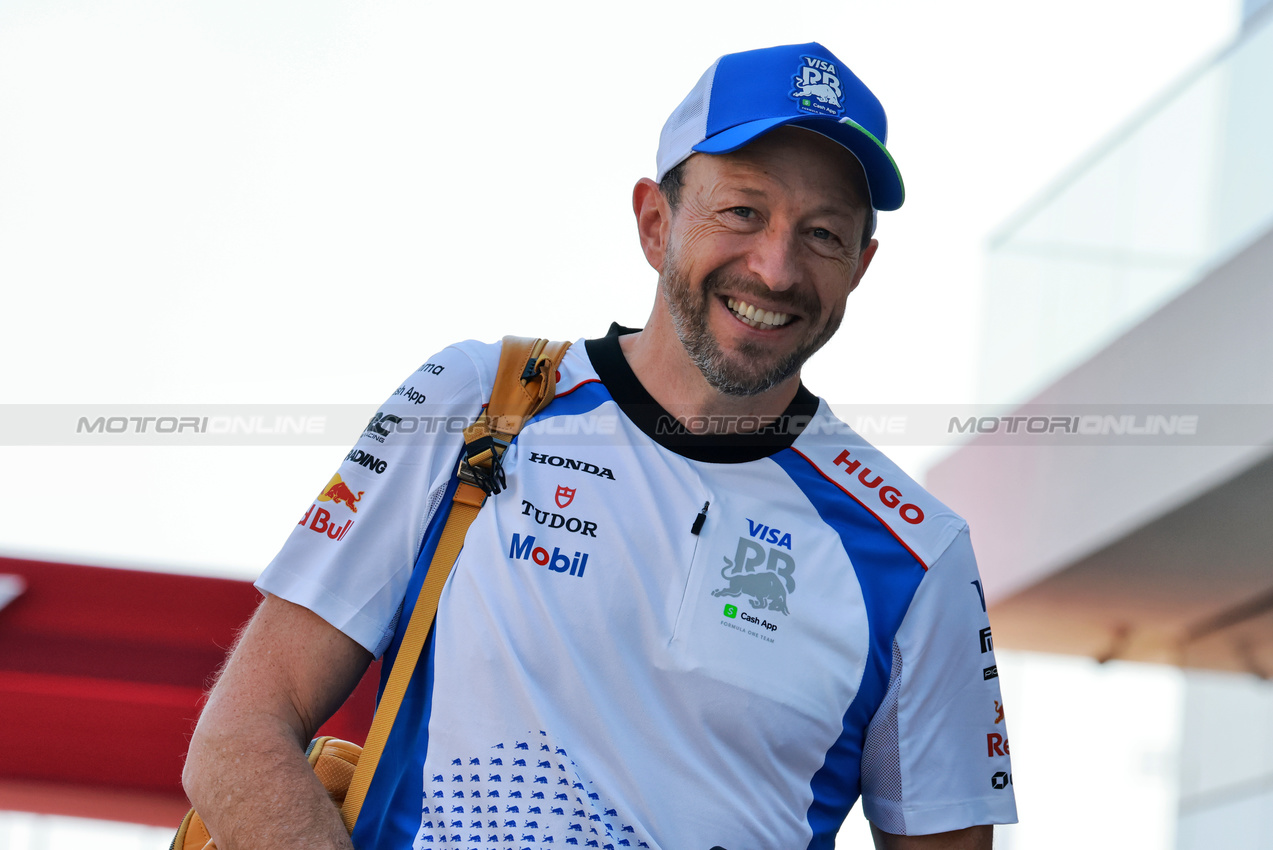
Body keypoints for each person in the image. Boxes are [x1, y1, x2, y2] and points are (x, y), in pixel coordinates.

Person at [184, 42, 1017, 850]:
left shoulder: (918, 556)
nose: (774, 268)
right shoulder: (475, 402)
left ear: (861, 267)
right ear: (655, 223)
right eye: (742, 212)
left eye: (823, 234)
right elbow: (240, 733)